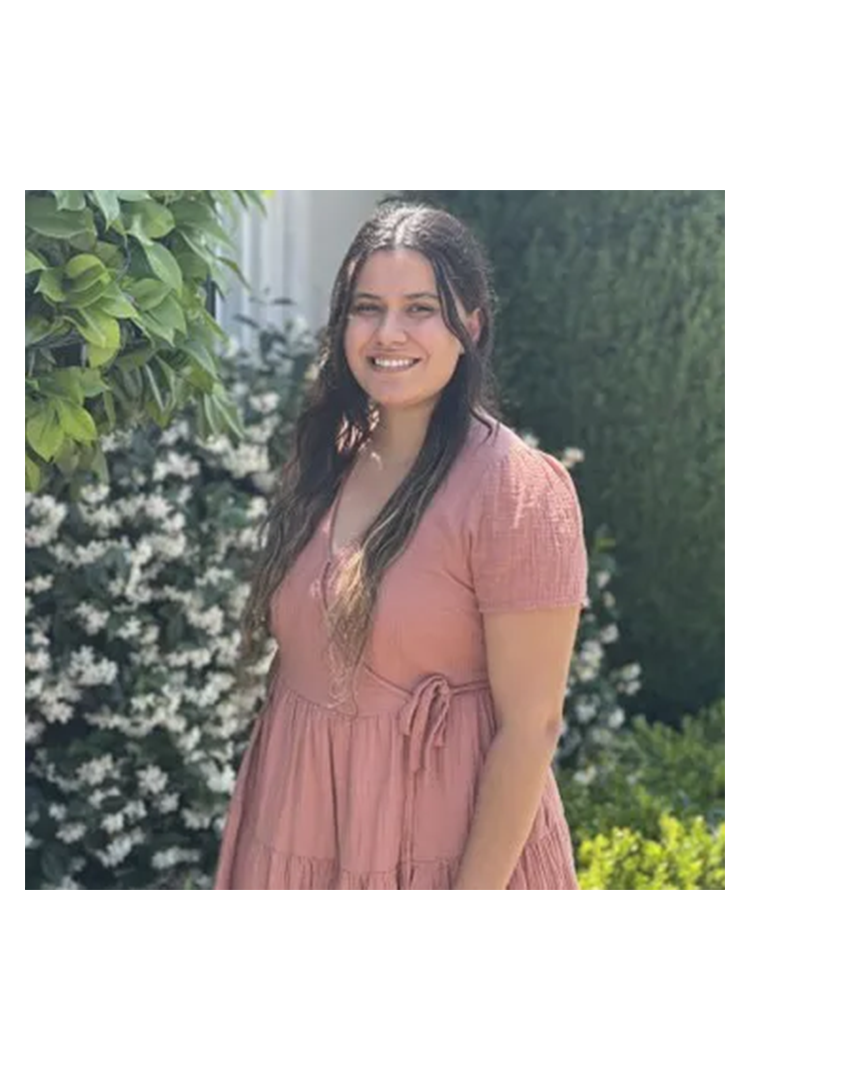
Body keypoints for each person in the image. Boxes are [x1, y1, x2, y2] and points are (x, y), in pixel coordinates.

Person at [214, 202, 588, 889]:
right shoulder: (332, 458)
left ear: (471, 325)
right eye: (367, 308)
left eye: (420, 308)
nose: (389, 332)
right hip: (297, 822)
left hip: (439, 847)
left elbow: (531, 727)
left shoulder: (516, 491)